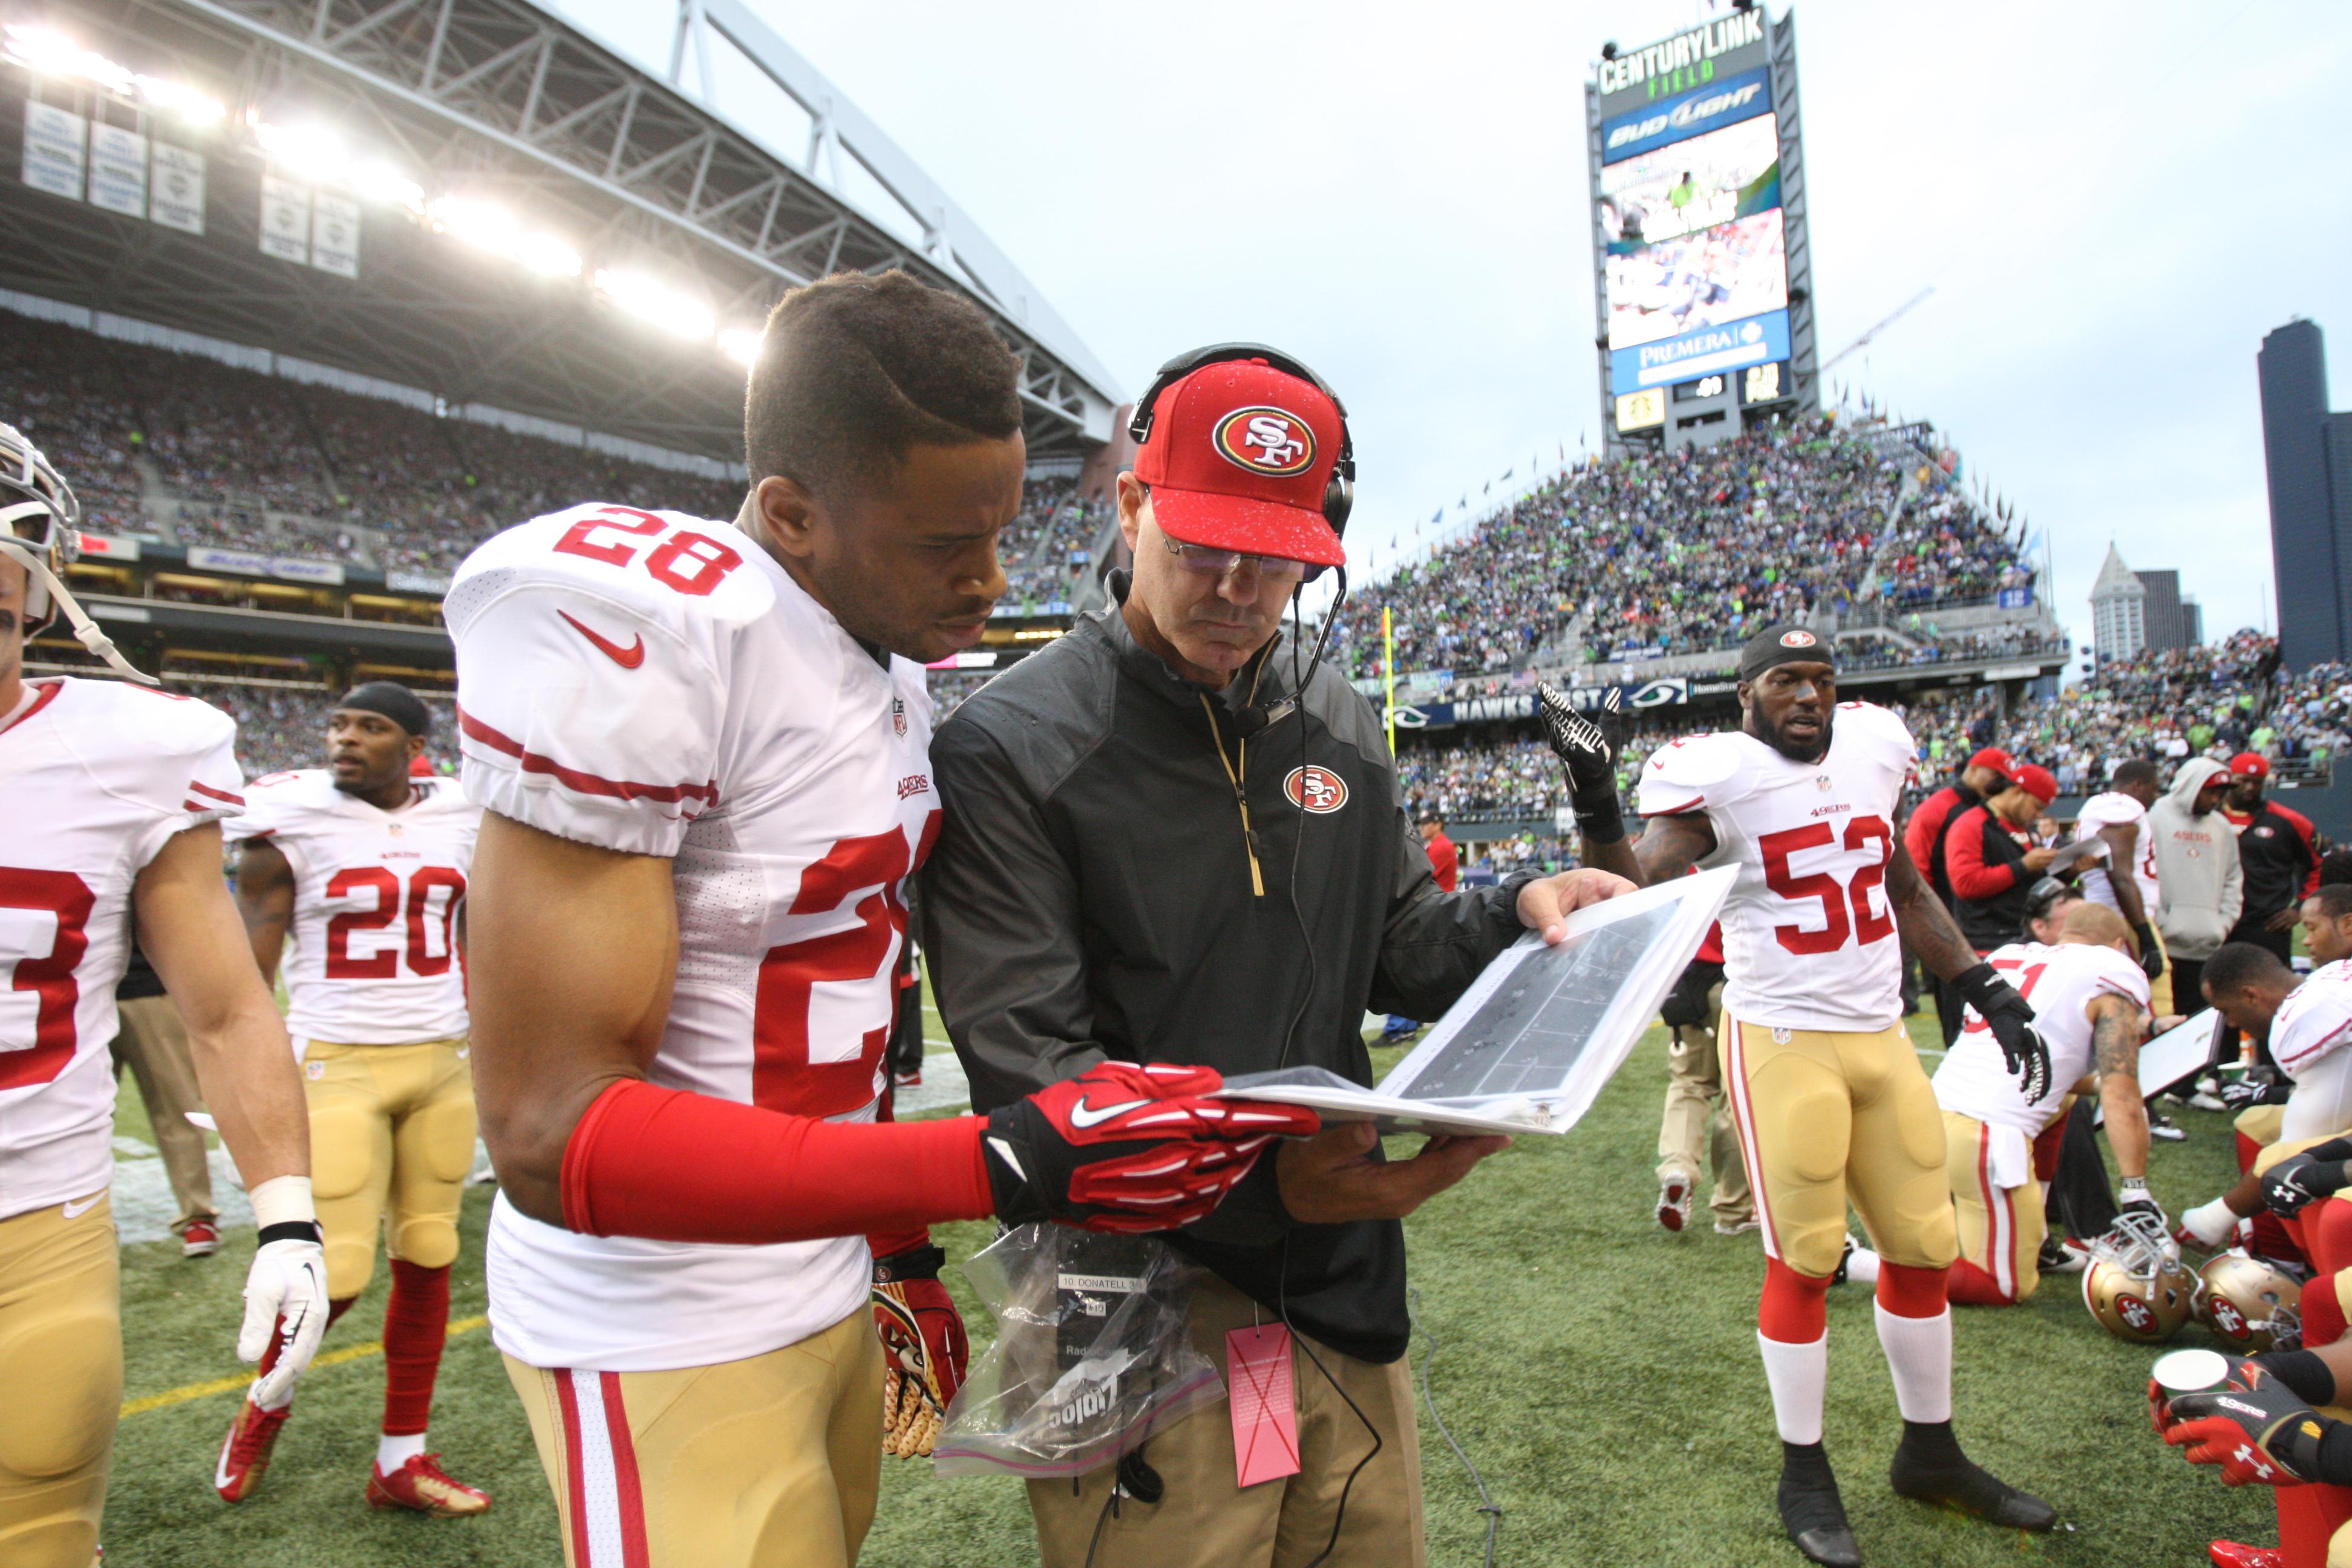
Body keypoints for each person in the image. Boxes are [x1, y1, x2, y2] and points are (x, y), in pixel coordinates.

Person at [449, 275, 1316, 1568]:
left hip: (815, 1278)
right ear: (792, 514)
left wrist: (898, 1249)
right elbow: (547, 1131)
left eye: (1001, 530)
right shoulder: (658, 627)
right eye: (938, 544)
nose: (986, 577)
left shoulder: (879, 666)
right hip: (657, 1318)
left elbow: (826, 1017)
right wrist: (1000, 1163)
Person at [923, 343, 1632, 1568]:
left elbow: (1403, 947)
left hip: (1339, 1285)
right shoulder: (1011, 746)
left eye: (1283, 558)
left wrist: (1516, 907)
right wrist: (1276, 1185)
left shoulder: (1335, 705)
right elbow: (1036, 1082)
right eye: (1206, 545)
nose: (1242, 590)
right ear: (1132, 506)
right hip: (1135, 1307)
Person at [1575, 624, 2057, 1566]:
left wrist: (1978, 983)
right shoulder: (1720, 776)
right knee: (1804, 1258)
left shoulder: (1876, 749)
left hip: (1880, 1036)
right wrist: (1595, 794)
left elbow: (1904, 885)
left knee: (1923, 1248)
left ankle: (1931, 1449)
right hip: (1785, 1040)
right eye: (1786, 680)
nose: (1808, 696)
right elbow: (1630, 882)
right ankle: (1805, 1467)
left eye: (1822, 679)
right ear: (1745, 695)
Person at [0, 423, 330, 1567]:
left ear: (38, 599)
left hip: (31, 1232)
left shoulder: (130, 747)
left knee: (41, 1533)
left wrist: (287, 1214)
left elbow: (229, 1010)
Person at [214, 684, 489, 1514]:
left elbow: (480, 929)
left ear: (413, 745)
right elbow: (243, 978)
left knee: (430, 1253)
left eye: (370, 727)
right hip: (339, 1062)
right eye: (337, 724)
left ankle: (400, 1459)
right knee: (336, 1273)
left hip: (442, 1061)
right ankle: (263, 1408)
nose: (346, 739)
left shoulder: (464, 811)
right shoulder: (287, 819)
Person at [1845, 904, 2154, 1305]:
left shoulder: (2011, 957)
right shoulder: (2113, 973)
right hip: (1984, 1139)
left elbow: (2049, 1069)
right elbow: (2122, 1095)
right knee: (2002, 1286)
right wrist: (2136, 1191)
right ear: (2118, 945)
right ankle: (1855, 1263)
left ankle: (2038, 1235)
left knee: (2066, 1099)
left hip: (1934, 1113)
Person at [2180, 945, 2352, 1264]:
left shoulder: (2307, 1019)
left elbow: (2296, 1146)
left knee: (2289, 1168)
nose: (2230, 1024)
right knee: (2258, 1123)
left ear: (2250, 996)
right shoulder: (2324, 983)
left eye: (2226, 1011)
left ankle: (2322, 1270)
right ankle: (2279, 1250)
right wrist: (2271, 1084)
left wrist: (2212, 1219)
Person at [109, 941, 219, 1256]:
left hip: (149, 986)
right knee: (77, 1122)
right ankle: (82, 1221)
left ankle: (198, 1216)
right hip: (77, 996)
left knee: (177, 1106)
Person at [1903, 746, 2013, 1042]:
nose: (2002, 784)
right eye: (1997, 777)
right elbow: (1914, 870)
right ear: (1975, 770)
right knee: (1958, 1021)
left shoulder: (1988, 809)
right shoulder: (1938, 809)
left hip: (1982, 925)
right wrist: (1934, 925)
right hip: (1950, 923)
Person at [1654, 921, 1755, 1235]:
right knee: (1737, 1093)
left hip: (1690, 978)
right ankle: (1733, 1209)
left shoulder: (1676, 868)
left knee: (1689, 1084)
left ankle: (1678, 1167)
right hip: (1744, 976)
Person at [2149, 757, 2244, 1015]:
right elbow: (2143, 876)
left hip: (2208, 945)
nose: (2216, 799)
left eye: (2220, 794)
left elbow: (2233, 878)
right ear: (2192, 785)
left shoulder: (2222, 827)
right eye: (2210, 791)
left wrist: (2223, 923)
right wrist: (2161, 922)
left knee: (2199, 1027)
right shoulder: (2153, 818)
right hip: (2163, 946)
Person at [1941, 763, 2061, 964]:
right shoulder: (1971, 824)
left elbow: (2027, 883)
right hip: (1986, 943)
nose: (2039, 815)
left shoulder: (2024, 830)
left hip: (2021, 938)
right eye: (2037, 807)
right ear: (2017, 792)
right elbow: (1965, 884)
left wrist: (2069, 871)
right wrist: (2023, 866)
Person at [2073, 758, 2167, 1008]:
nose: (2156, 797)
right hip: (2122, 919)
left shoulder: (2097, 805)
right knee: (2154, 1006)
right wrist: (2145, 935)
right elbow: (2120, 876)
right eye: (2154, 789)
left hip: (2110, 915)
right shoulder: (2120, 809)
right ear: (2138, 785)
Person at [2222, 753, 2321, 962]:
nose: (2250, 788)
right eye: (2244, 781)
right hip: (2217, 922)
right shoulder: (2209, 817)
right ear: (2231, 779)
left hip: (2267, 925)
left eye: (2257, 783)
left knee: (2270, 989)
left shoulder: (2289, 821)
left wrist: (2299, 908)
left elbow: (2319, 866)